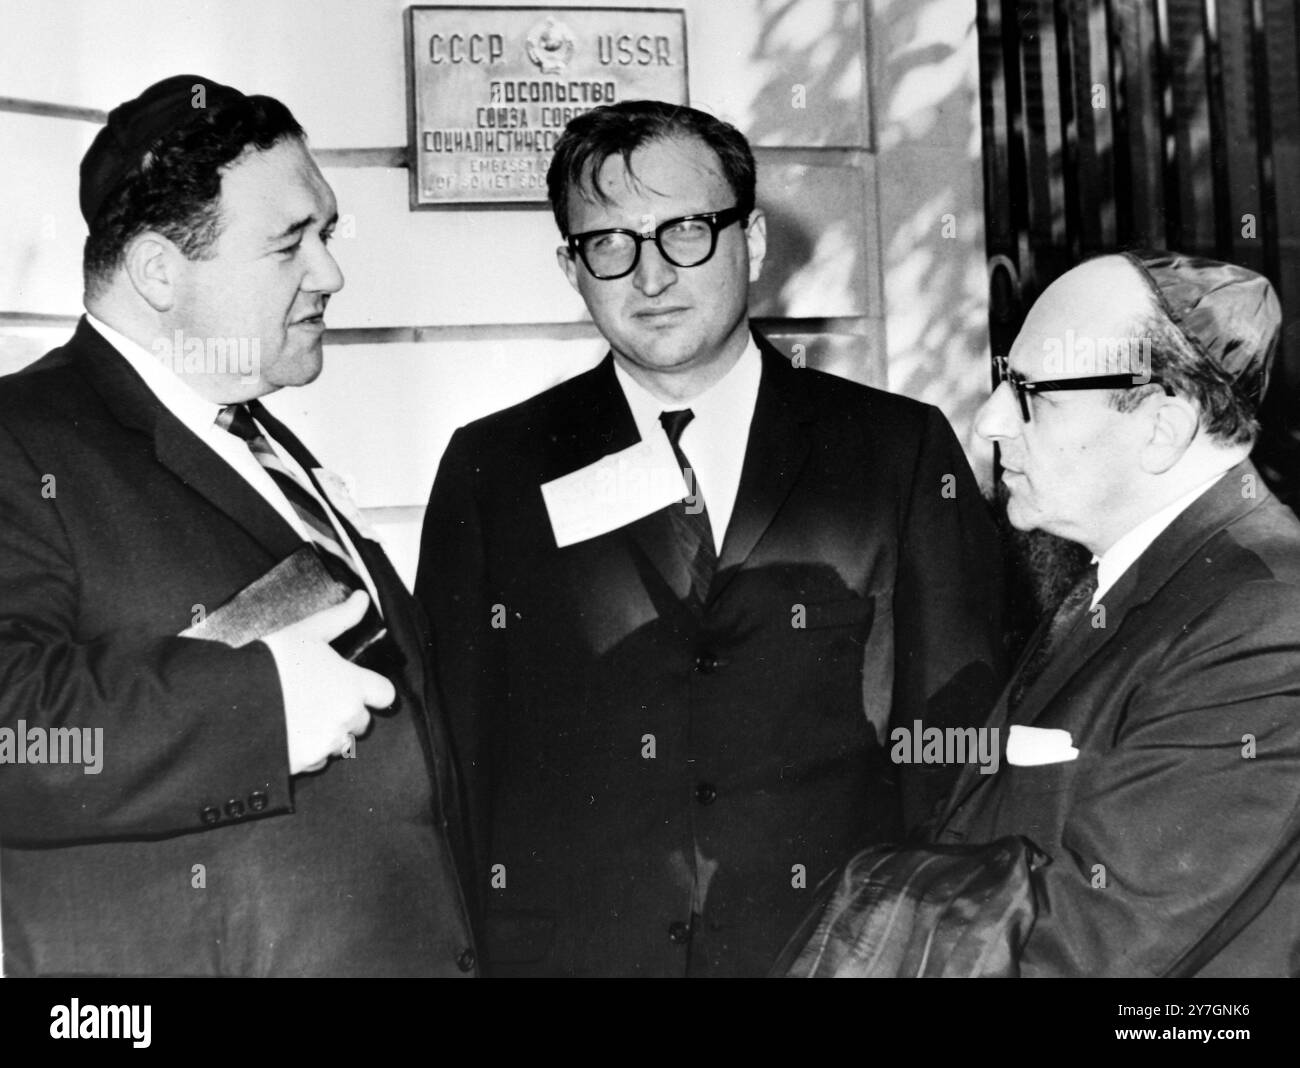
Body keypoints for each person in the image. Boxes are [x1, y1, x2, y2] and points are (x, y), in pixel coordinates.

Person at [415, 99, 1004, 976]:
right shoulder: (494, 469)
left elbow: (956, 738)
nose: (650, 276)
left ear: (753, 241)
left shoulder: (895, 450)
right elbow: (455, 758)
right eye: (609, 244)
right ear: (570, 267)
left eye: (686, 231)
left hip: (831, 957)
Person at [0, 75, 476, 976]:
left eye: (326, 234)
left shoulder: (249, 431)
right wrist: (259, 708)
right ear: (159, 271)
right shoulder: (21, 442)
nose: (330, 273)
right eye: (290, 243)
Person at [935, 250, 1300, 976]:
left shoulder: (1265, 620)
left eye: (1033, 393)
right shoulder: (1138, 572)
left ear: (1162, 428)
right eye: (1004, 379)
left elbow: (1092, 944)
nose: (989, 422)